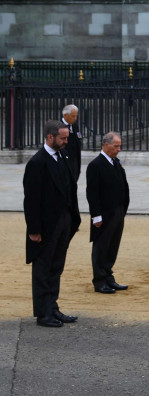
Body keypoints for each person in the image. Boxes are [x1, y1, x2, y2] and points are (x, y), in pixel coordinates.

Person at [23, 120, 81, 327]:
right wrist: (34, 230)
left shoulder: (63, 156)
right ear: (50, 137)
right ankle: (43, 313)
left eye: (67, 138)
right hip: (46, 225)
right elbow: (31, 200)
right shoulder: (37, 162)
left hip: (63, 220)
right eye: (62, 138)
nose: (66, 141)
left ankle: (53, 307)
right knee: (43, 269)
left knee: (56, 267)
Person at [86, 131, 129, 293]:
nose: (119, 149)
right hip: (104, 214)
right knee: (101, 247)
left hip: (117, 211)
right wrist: (96, 216)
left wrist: (123, 208)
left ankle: (108, 276)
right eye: (116, 146)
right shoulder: (96, 165)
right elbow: (92, 193)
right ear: (106, 144)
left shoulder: (115, 162)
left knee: (113, 246)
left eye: (120, 146)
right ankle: (99, 280)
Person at [60, 104, 83, 181]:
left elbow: (79, 140)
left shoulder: (75, 126)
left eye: (76, 116)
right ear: (65, 115)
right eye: (73, 116)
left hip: (75, 162)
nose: (75, 118)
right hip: (64, 162)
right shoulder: (59, 126)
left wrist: (78, 166)